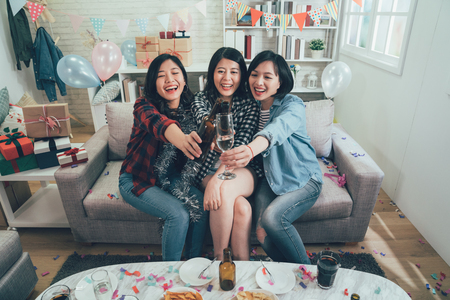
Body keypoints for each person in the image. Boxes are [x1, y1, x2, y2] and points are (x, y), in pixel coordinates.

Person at [220, 50, 323, 264]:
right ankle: (287, 271)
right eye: (254, 74)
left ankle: (307, 272)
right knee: (261, 234)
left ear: (280, 82)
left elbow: (277, 129)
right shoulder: (251, 105)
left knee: (272, 218)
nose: (258, 82)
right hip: (271, 178)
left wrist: (250, 149)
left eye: (267, 77)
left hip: (303, 178)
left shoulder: (292, 105)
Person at [118, 54, 208, 261]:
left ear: (184, 80)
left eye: (175, 73)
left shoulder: (192, 107)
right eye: (161, 76)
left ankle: (195, 262)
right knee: (178, 214)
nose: (169, 79)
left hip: (170, 178)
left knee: (200, 203)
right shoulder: (143, 106)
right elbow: (159, 124)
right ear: (153, 83)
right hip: (137, 180)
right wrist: (183, 139)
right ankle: (170, 271)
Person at [192, 47, 262, 260]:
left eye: (234, 71)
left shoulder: (250, 104)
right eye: (221, 71)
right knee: (241, 208)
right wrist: (211, 178)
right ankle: (241, 264)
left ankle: (219, 259)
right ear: (212, 73)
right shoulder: (201, 99)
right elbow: (205, 121)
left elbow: (239, 145)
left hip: (241, 168)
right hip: (205, 171)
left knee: (222, 192)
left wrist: (216, 180)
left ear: (242, 75)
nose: (227, 78)